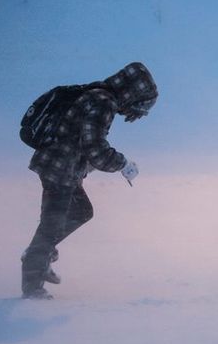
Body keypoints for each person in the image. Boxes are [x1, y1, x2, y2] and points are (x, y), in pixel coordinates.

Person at [21, 62, 158, 299]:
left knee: (82, 211)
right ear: (133, 94)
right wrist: (122, 164)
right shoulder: (103, 101)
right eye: (138, 107)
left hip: (64, 168)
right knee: (51, 224)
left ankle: (38, 253)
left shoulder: (99, 95)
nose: (132, 114)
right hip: (59, 169)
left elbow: (82, 140)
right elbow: (95, 148)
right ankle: (33, 284)